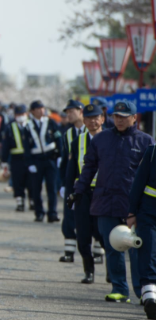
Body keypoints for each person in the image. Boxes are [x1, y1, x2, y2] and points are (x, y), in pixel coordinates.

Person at [74, 101, 154, 303]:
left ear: (134, 118)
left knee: (138, 249)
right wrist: (78, 191)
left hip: (134, 207)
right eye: (116, 116)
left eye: (124, 116)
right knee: (113, 247)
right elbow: (89, 167)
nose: (119, 119)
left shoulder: (145, 142)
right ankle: (119, 288)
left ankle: (142, 292)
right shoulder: (101, 139)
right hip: (106, 202)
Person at [65, 103, 106, 284]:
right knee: (83, 235)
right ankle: (88, 271)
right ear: (84, 119)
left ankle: (112, 271)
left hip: (104, 193)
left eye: (96, 117)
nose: (92, 121)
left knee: (103, 233)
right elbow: (71, 170)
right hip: (83, 194)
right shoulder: (78, 141)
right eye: (88, 118)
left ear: (102, 119)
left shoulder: (110, 139)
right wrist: (69, 192)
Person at [128, 140, 156, 320]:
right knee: (148, 250)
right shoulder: (152, 153)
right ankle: (149, 296)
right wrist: (131, 212)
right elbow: (138, 182)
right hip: (149, 212)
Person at [24, 100, 62, 223]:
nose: (41, 110)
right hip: (36, 160)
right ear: (32, 111)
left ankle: (52, 213)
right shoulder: (27, 126)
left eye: (42, 108)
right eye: (38, 108)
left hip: (50, 158)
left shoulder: (51, 122)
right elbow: (26, 147)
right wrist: (29, 163)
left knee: (51, 187)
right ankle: (39, 213)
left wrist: (60, 155)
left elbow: (58, 139)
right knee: (36, 188)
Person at [58, 100, 85, 263]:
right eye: (67, 112)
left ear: (81, 111)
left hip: (90, 181)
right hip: (71, 181)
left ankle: (97, 251)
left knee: (92, 218)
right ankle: (69, 252)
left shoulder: (94, 132)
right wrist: (62, 183)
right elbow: (64, 161)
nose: (68, 115)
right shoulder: (67, 134)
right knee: (68, 217)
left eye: (71, 111)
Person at [1, 105, 32, 212]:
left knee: (31, 180)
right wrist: (4, 161)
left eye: (22, 114)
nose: (20, 117)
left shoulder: (31, 125)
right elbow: (6, 146)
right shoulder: (10, 127)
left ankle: (32, 201)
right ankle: (20, 202)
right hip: (16, 159)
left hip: (31, 159)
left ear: (26, 114)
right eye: (18, 115)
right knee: (18, 181)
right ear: (15, 116)